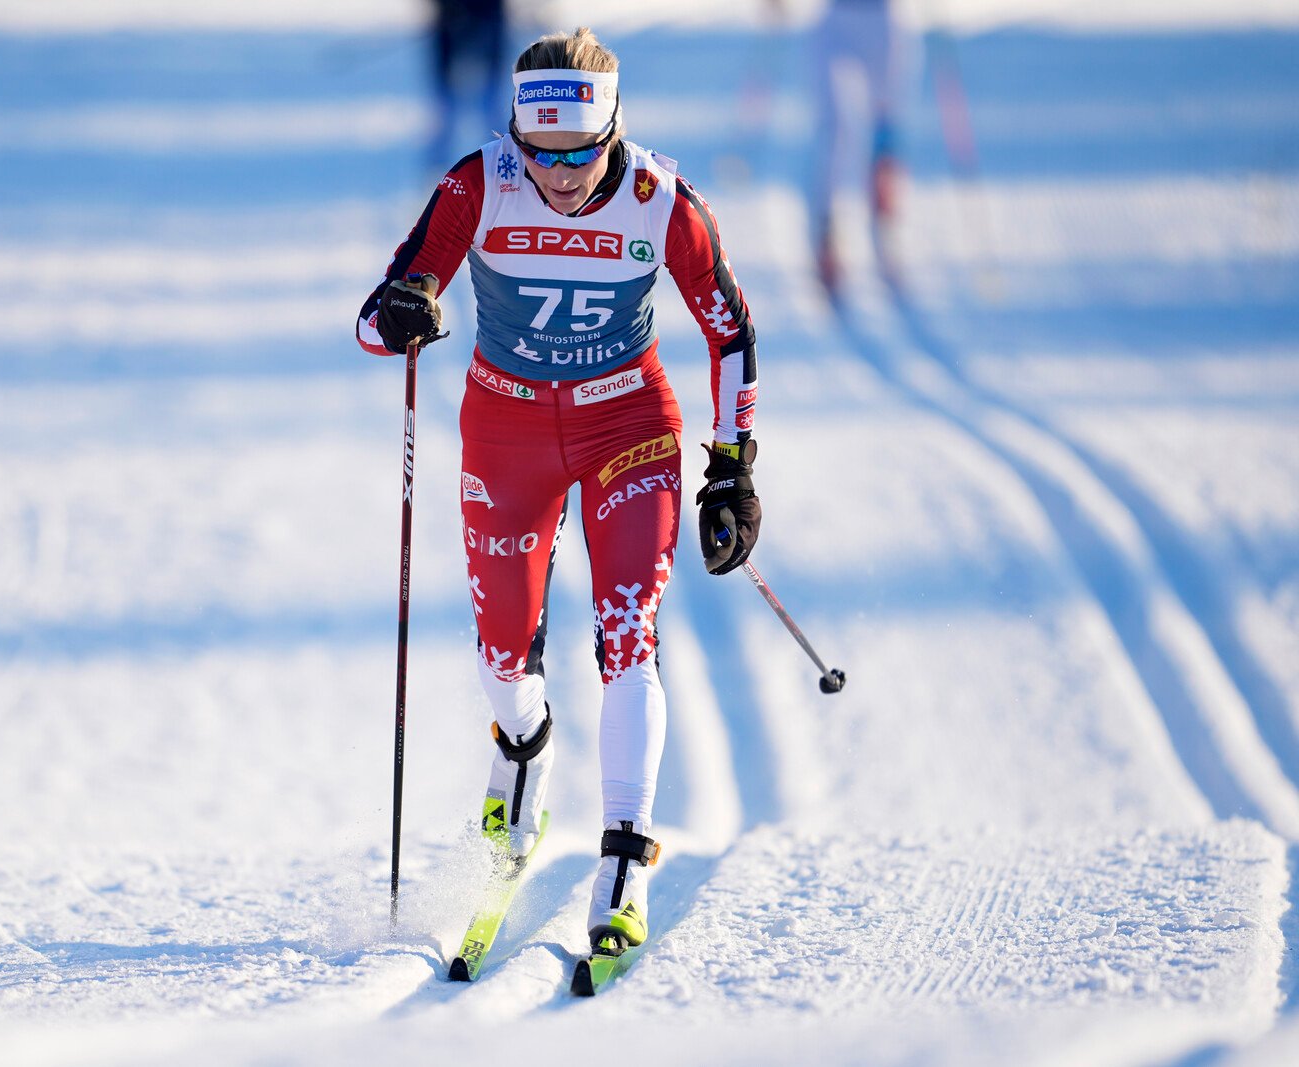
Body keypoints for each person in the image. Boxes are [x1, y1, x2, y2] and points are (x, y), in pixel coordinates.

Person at [357, 27, 760, 959]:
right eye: (542, 153)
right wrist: (405, 310)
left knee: (627, 633)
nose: (562, 176)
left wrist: (734, 465)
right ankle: (524, 758)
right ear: (516, 135)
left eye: (582, 154)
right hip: (507, 432)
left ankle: (623, 858)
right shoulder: (477, 181)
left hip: (630, 429)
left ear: (614, 133)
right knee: (507, 661)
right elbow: (376, 318)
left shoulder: (663, 200)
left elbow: (731, 328)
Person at [805, 0, 909, 294]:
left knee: (885, 122)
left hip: (882, 16)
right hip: (836, 17)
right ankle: (827, 233)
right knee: (835, 128)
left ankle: (885, 223)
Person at [428, 0, 508, 171]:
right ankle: (436, 170)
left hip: (489, 21)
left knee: (491, 104)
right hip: (449, 27)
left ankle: (504, 162)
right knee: (446, 109)